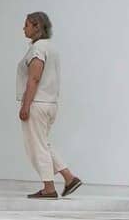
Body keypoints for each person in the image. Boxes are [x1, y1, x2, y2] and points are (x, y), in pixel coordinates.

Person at [18, 11, 82, 199]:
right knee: (43, 144)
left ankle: (48, 187)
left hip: (37, 103)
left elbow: (34, 78)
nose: (24, 28)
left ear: (37, 26)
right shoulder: (51, 48)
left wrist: (26, 105)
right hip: (50, 103)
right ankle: (69, 178)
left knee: (37, 147)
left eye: (27, 24)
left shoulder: (38, 49)